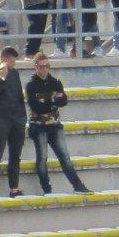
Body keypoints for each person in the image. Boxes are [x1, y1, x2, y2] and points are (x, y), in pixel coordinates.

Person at [25, 52, 90, 195]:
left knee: (65, 157)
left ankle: (78, 186)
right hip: (38, 127)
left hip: (54, 125)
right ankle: (47, 190)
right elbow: (37, 107)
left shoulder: (55, 82)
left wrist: (47, 101)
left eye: (46, 66)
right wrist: (53, 101)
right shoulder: (30, 85)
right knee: (42, 159)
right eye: (41, 67)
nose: (44, 69)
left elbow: (64, 101)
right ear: (35, 67)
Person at [0, 46, 27, 199]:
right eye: (12, 61)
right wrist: (1, 79)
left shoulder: (15, 73)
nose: (14, 64)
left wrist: (23, 117)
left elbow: (20, 96)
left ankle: (14, 188)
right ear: (4, 59)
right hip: (0, 118)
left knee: (15, 155)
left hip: (17, 119)